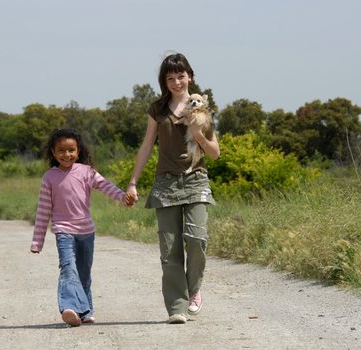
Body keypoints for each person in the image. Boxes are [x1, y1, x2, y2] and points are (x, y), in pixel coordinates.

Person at [126, 53, 220, 324]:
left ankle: (194, 289)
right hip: (165, 183)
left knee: (196, 239)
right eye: (170, 78)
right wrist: (133, 182)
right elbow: (146, 146)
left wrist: (197, 131)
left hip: (196, 180)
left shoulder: (201, 108)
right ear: (164, 82)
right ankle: (177, 307)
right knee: (170, 249)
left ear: (190, 75)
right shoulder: (157, 109)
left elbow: (214, 153)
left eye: (181, 76)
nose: (177, 82)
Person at [30, 128, 132, 327]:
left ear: (78, 151)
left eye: (71, 150)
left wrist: (123, 197)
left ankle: (86, 311)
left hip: (86, 232)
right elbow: (43, 210)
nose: (66, 155)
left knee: (84, 273)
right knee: (68, 269)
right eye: (61, 150)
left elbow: (106, 186)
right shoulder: (49, 177)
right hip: (63, 230)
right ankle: (69, 308)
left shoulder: (87, 172)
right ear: (53, 152)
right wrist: (37, 241)